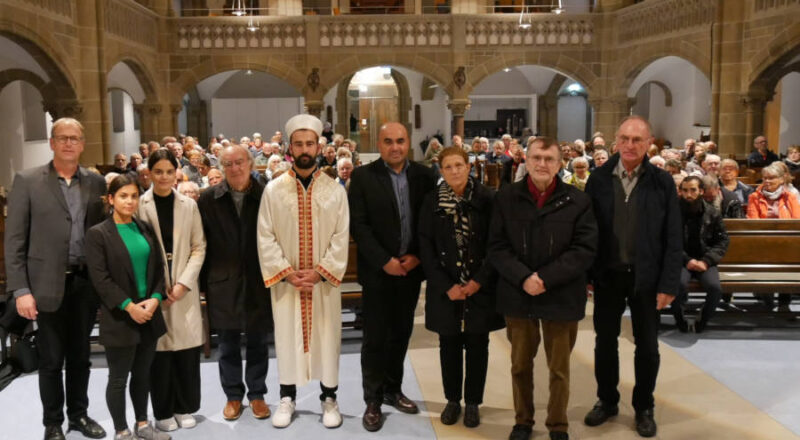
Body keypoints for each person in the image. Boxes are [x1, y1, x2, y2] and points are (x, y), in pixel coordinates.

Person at [4, 117, 108, 440]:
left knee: (81, 357)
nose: (68, 143)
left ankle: (79, 415)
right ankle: (52, 423)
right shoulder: (28, 180)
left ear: (82, 143)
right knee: (50, 360)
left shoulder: (96, 182)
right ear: (51, 143)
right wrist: (21, 289)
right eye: (61, 137)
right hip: (45, 284)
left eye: (74, 138)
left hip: (84, 284)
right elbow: (15, 240)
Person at [489, 137, 597, 440]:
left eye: (549, 159)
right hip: (518, 292)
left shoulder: (577, 201)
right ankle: (523, 421)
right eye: (536, 157)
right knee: (520, 364)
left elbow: (584, 249)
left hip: (561, 294)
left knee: (559, 368)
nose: (542, 164)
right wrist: (524, 277)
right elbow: (496, 246)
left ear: (559, 163)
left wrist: (545, 278)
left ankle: (558, 423)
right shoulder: (507, 197)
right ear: (525, 160)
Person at [583, 116, 682, 438]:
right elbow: (587, 231)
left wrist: (669, 283)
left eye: (637, 140)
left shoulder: (661, 182)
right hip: (608, 275)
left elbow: (672, 236)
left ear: (649, 142)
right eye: (624, 138)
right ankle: (607, 400)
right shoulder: (598, 178)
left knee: (648, 348)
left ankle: (644, 407)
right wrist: (587, 274)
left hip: (647, 278)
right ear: (615, 140)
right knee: (605, 344)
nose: (629, 145)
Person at [256, 114, 350, 429]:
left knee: (327, 336)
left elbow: (341, 235)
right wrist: (285, 272)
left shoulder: (334, 190)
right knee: (287, 336)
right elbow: (265, 235)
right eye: (299, 143)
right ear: (290, 148)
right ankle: (287, 397)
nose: (305, 148)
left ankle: (329, 397)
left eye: (310, 142)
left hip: (323, 283)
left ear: (319, 146)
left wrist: (322, 271)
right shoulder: (273, 189)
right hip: (288, 283)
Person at [349, 122, 437, 432]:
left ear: (409, 142)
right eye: (388, 141)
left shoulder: (426, 177)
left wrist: (417, 257)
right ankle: (372, 399)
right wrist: (384, 260)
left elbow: (431, 223)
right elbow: (359, 226)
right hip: (378, 272)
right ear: (379, 143)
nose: (395, 147)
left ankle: (392, 389)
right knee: (375, 337)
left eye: (400, 141)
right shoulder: (362, 177)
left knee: (401, 334)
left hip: (410, 270)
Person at [418, 147, 504, 429]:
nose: (454, 171)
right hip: (447, 288)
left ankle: (473, 403)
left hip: (480, 286)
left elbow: (497, 244)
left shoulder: (488, 198)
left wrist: (479, 280)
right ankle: (453, 400)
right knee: (449, 345)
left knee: (479, 346)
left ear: (469, 167)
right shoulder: (431, 201)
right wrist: (446, 286)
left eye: (459, 165)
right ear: (441, 171)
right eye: (448, 167)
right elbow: (426, 247)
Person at [85, 174, 169, 440]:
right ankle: (121, 431)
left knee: (143, 375)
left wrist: (156, 298)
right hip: (121, 316)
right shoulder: (98, 234)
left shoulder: (144, 227)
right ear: (111, 199)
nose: (130, 201)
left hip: (149, 313)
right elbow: (101, 279)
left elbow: (158, 269)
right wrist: (129, 306)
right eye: (123, 196)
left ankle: (142, 425)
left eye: (134, 196)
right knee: (119, 379)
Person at [197, 145, 273, 422]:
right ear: (222, 167)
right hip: (222, 279)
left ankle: (257, 395)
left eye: (239, 162)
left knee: (258, 340)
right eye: (228, 164)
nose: (234, 168)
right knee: (227, 343)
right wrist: (202, 283)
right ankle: (232, 396)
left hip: (257, 278)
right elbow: (201, 244)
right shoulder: (207, 200)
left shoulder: (266, 195)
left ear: (250, 163)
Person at [137, 150, 207, 432]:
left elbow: (199, 246)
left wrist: (183, 283)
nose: (164, 177)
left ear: (177, 173)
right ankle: (163, 410)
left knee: (186, 352)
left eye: (169, 171)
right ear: (149, 174)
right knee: (160, 353)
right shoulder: (140, 204)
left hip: (183, 287)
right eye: (158, 172)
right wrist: (158, 286)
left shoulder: (188, 205)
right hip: (153, 288)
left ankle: (184, 406)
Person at [671, 176, 729, 333]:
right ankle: (679, 317)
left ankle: (703, 318)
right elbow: (668, 241)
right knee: (678, 284)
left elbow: (722, 241)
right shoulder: (672, 212)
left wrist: (706, 261)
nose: (688, 194)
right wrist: (687, 260)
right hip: (681, 260)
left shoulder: (712, 212)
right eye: (684, 190)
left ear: (701, 191)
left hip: (705, 260)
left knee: (715, 288)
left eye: (693, 190)